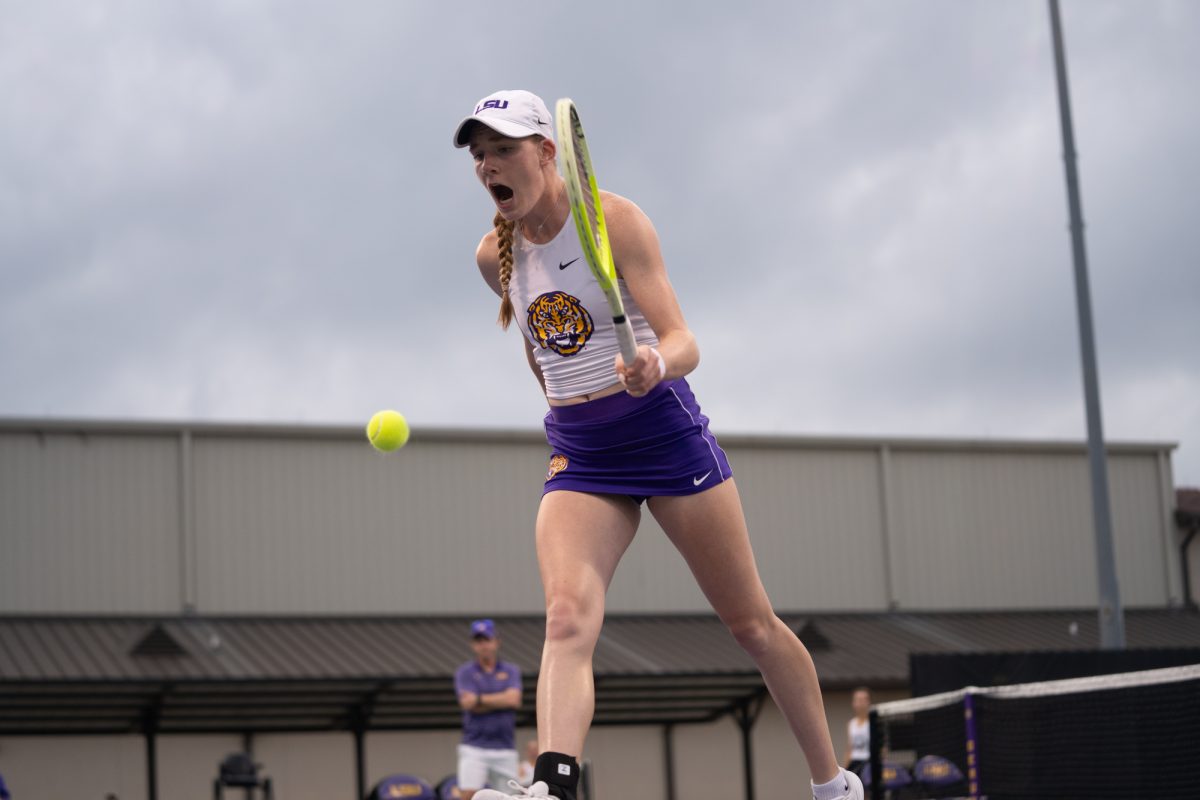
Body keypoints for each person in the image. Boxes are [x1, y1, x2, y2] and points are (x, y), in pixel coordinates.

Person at [453, 89, 863, 800]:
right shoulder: (495, 256)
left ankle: (833, 783)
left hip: (662, 429)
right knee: (566, 616)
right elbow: (539, 352)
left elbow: (684, 340)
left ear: (549, 154)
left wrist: (653, 364)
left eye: (504, 149)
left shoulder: (614, 221)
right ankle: (553, 785)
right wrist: (570, 409)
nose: (489, 164)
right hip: (582, 451)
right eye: (479, 154)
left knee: (751, 626)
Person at [455, 619, 523, 800]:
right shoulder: (465, 672)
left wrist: (479, 699)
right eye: (479, 640)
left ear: (497, 641)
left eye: (487, 639)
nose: (483, 644)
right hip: (474, 746)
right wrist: (500, 699)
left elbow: (514, 699)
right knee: (469, 795)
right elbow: (468, 704)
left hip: (505, 747)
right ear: (473, 644)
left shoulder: (511, 670)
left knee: (511, 797)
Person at [844, 686, 871, 777]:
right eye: (856, 700)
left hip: (869, 762)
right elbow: (849, 748)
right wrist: (845, 769)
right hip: (854, 763)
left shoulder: (872, 723)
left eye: (861, 700)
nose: (859, 703)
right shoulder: (851, 724)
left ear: (868, 702)